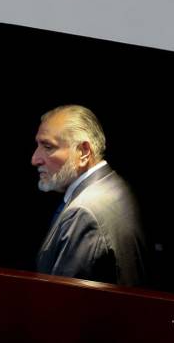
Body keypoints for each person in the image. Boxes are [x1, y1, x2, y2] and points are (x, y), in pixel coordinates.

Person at [32, 105, 146, 286]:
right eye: (37, 146)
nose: (35, 159)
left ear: (84, 152)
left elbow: (63, 299)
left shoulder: (82, 212)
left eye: (48, 147)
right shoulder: (115, 185)